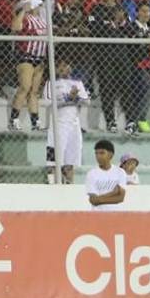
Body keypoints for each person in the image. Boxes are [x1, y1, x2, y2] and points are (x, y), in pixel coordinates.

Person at [43, 55, 89, 184]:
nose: (65, 68)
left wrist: (75, 98)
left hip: (74, 126)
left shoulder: (77, 83)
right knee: (53, 160)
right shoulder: (51, 83)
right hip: (58, 125)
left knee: (71, 161)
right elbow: (48, 102)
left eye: (67, 65)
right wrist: (68, 99)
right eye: (61, 66)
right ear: (56, 68)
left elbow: (86, 101)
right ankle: (53, 184)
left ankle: (69, 184)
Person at [85, 139, 127, 210]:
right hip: (98, 215)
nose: (98, 156)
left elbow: (120, 198)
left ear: (110, 155)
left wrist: (99, 199)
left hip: (116, 214)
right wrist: (113, 193)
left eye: (102, 153)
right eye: (96, 153)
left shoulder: (120, 172)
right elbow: (93, 200)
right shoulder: (91, 174)